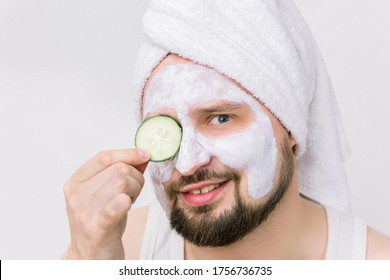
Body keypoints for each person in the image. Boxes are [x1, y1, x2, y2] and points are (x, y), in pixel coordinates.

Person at [62, 0, 390, 259]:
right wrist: (83, 260)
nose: (187, 164)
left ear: (290, 128)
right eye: (168, 128)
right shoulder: (115, 249)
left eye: (220, 118)